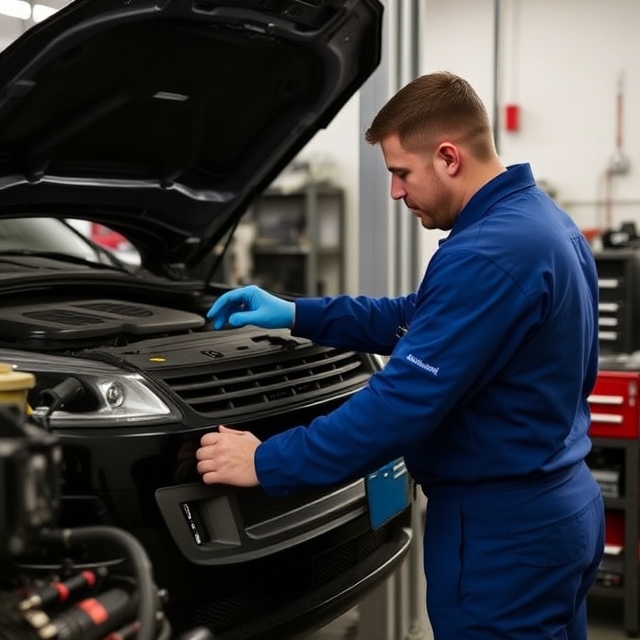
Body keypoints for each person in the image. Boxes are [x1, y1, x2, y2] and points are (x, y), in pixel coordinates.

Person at [196, 71, 604, 639]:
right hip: (559, 508)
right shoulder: (541, 223)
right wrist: (295, 313)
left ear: (447, 157)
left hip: (501, 534)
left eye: (400, 173)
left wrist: (266, 462)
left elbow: (400, 405)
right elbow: (417, 315)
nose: (395, 192)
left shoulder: (488, 253)